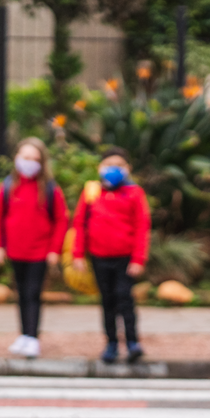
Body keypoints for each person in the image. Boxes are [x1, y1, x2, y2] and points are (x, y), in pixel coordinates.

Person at [0, 137, 69, 358]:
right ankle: (24, 335)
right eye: (25, 157)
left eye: (35, 159)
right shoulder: (7, 187)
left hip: (40, 252)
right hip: (15, 250)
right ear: (16, 158)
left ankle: (33, 337)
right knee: (21, 293)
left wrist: (55, 250)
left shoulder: (50, 189)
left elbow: (62, 220)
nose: (29, 162)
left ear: (42, 162)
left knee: (33, 293)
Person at [72, 147, 151, 364]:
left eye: (119, 165)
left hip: (125, 258)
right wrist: (78, 254)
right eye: (108, 164)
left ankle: (133, 342)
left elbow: (142, 226)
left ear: (128, 169)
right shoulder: (92, 192)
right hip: (99, 256)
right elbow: (80, 223)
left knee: (125, 299)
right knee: (107, 301)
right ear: (100, 167)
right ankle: (111, 343)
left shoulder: (135, 193)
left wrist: (138, 259)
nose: (113, 169)